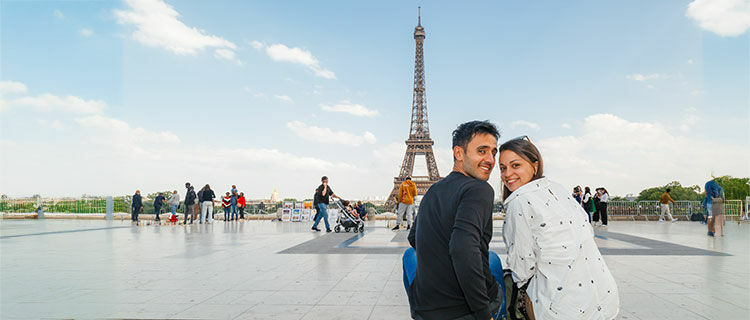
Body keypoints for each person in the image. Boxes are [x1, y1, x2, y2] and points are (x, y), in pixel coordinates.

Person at [499, 136, 619, 319]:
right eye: (502, 168)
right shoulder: (558, 189)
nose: (507, 174)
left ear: (535, 165)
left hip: (563, 308)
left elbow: (522, 269)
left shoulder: (520, 201)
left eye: (515, 165)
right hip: (604, 297)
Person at [405, 121, 503, 320]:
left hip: (425, 308)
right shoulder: (479, 189)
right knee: (497, 272)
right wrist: (483, 314)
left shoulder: (433, 190)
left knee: (409, 257)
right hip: (464, 311)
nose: (490, 159)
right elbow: (462, 249)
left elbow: (414, 238)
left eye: (493, 152)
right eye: (482, 151)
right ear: (459, 153)